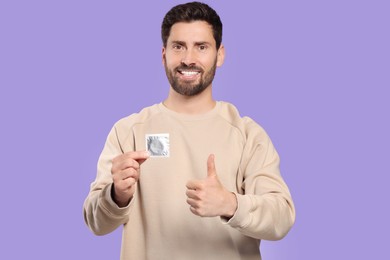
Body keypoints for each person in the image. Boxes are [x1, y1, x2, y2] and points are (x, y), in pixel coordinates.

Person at [83, 2, 295, 259]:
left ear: (220, 55)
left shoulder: (247, 134)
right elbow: (96, 222)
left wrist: (230, 203)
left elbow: (282, 217)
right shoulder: (129, 131)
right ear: (164, 55)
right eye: (178, 46)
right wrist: (116, 196)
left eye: (201, 47)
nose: (188, 59)